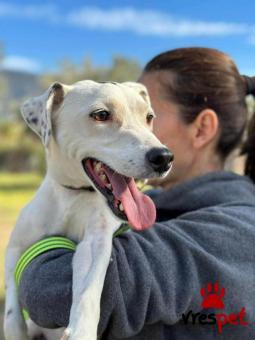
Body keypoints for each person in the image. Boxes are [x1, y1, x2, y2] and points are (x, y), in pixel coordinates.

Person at [18, 48, 255, 339]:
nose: (136, 130)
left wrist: (32, 243)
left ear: (202, 129)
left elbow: (48, 290)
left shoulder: (240, 229)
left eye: (147, 116)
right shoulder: (145, 205)